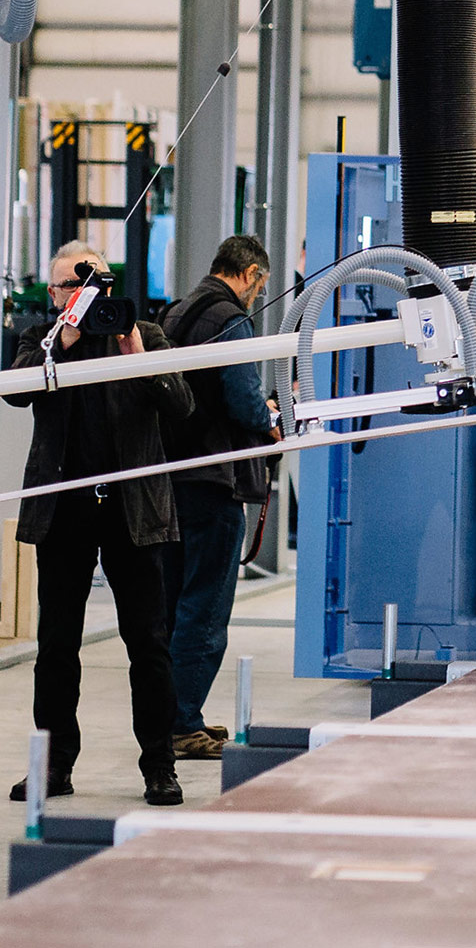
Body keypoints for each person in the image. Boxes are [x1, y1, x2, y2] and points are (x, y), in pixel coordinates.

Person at [10, 242, 192, 807]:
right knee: (56, 645)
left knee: (149, 644)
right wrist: (59, 343)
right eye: (70, 285)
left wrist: (136, 353)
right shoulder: (42, 339)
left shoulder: (144, 334)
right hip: (64, 511)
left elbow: (182, 405)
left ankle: (159, 766)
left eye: (93, 283)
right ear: (54, 292)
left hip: (132, 511)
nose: (83, 294)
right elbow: (16, 390)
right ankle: (53, 765)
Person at [158, 235, 279, 760]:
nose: (258, 295)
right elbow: (245, 402)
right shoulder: (231, 317)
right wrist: (272, 417)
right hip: (212, 482)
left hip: (167, 481)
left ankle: (171, 716)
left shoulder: (175, 313)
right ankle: (182, 725)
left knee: (170, 607)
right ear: (251, 274)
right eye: (261, 285)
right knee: (204, 611)